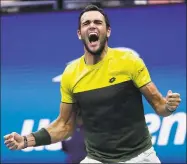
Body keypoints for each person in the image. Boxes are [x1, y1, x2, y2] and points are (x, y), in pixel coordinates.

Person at [4, 4, 181, 163]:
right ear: (79, 33)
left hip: (140, 157)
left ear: (108, 31)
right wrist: (26, 140)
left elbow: (160, 106)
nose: (92, 26)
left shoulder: (129, 62)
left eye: (97, 22)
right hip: (98, 159)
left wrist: (169, 106)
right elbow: (64, 126)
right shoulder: (71, 74)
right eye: (86, 23)